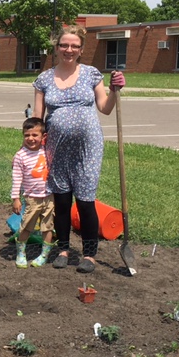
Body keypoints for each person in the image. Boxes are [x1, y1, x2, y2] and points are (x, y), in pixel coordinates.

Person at [33, 25, 126, 273]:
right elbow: (37, 118)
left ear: (81, 49)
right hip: (57, 148)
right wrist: (31, 145)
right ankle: (63, 249)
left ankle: (89, 254)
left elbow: (105, 108)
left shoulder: (92, 74)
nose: (69, 49)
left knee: (85, 202)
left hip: (88, 148)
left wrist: (115, 91)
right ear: (56, 47)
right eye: (64, 45)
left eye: (74, 46)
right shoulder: (44, 79)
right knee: (62, 201)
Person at [11, 117, 55, 268]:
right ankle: (21, 253)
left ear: (43, 137)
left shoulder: (46, 151)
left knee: (47, 226)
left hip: (49, 196)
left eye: (34, 135)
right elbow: (16, 178)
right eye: (26, 135)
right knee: (26, 226)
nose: (30, 138)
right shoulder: (20, 156)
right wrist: (15, 198)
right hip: (32, 198)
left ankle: (44, 254)